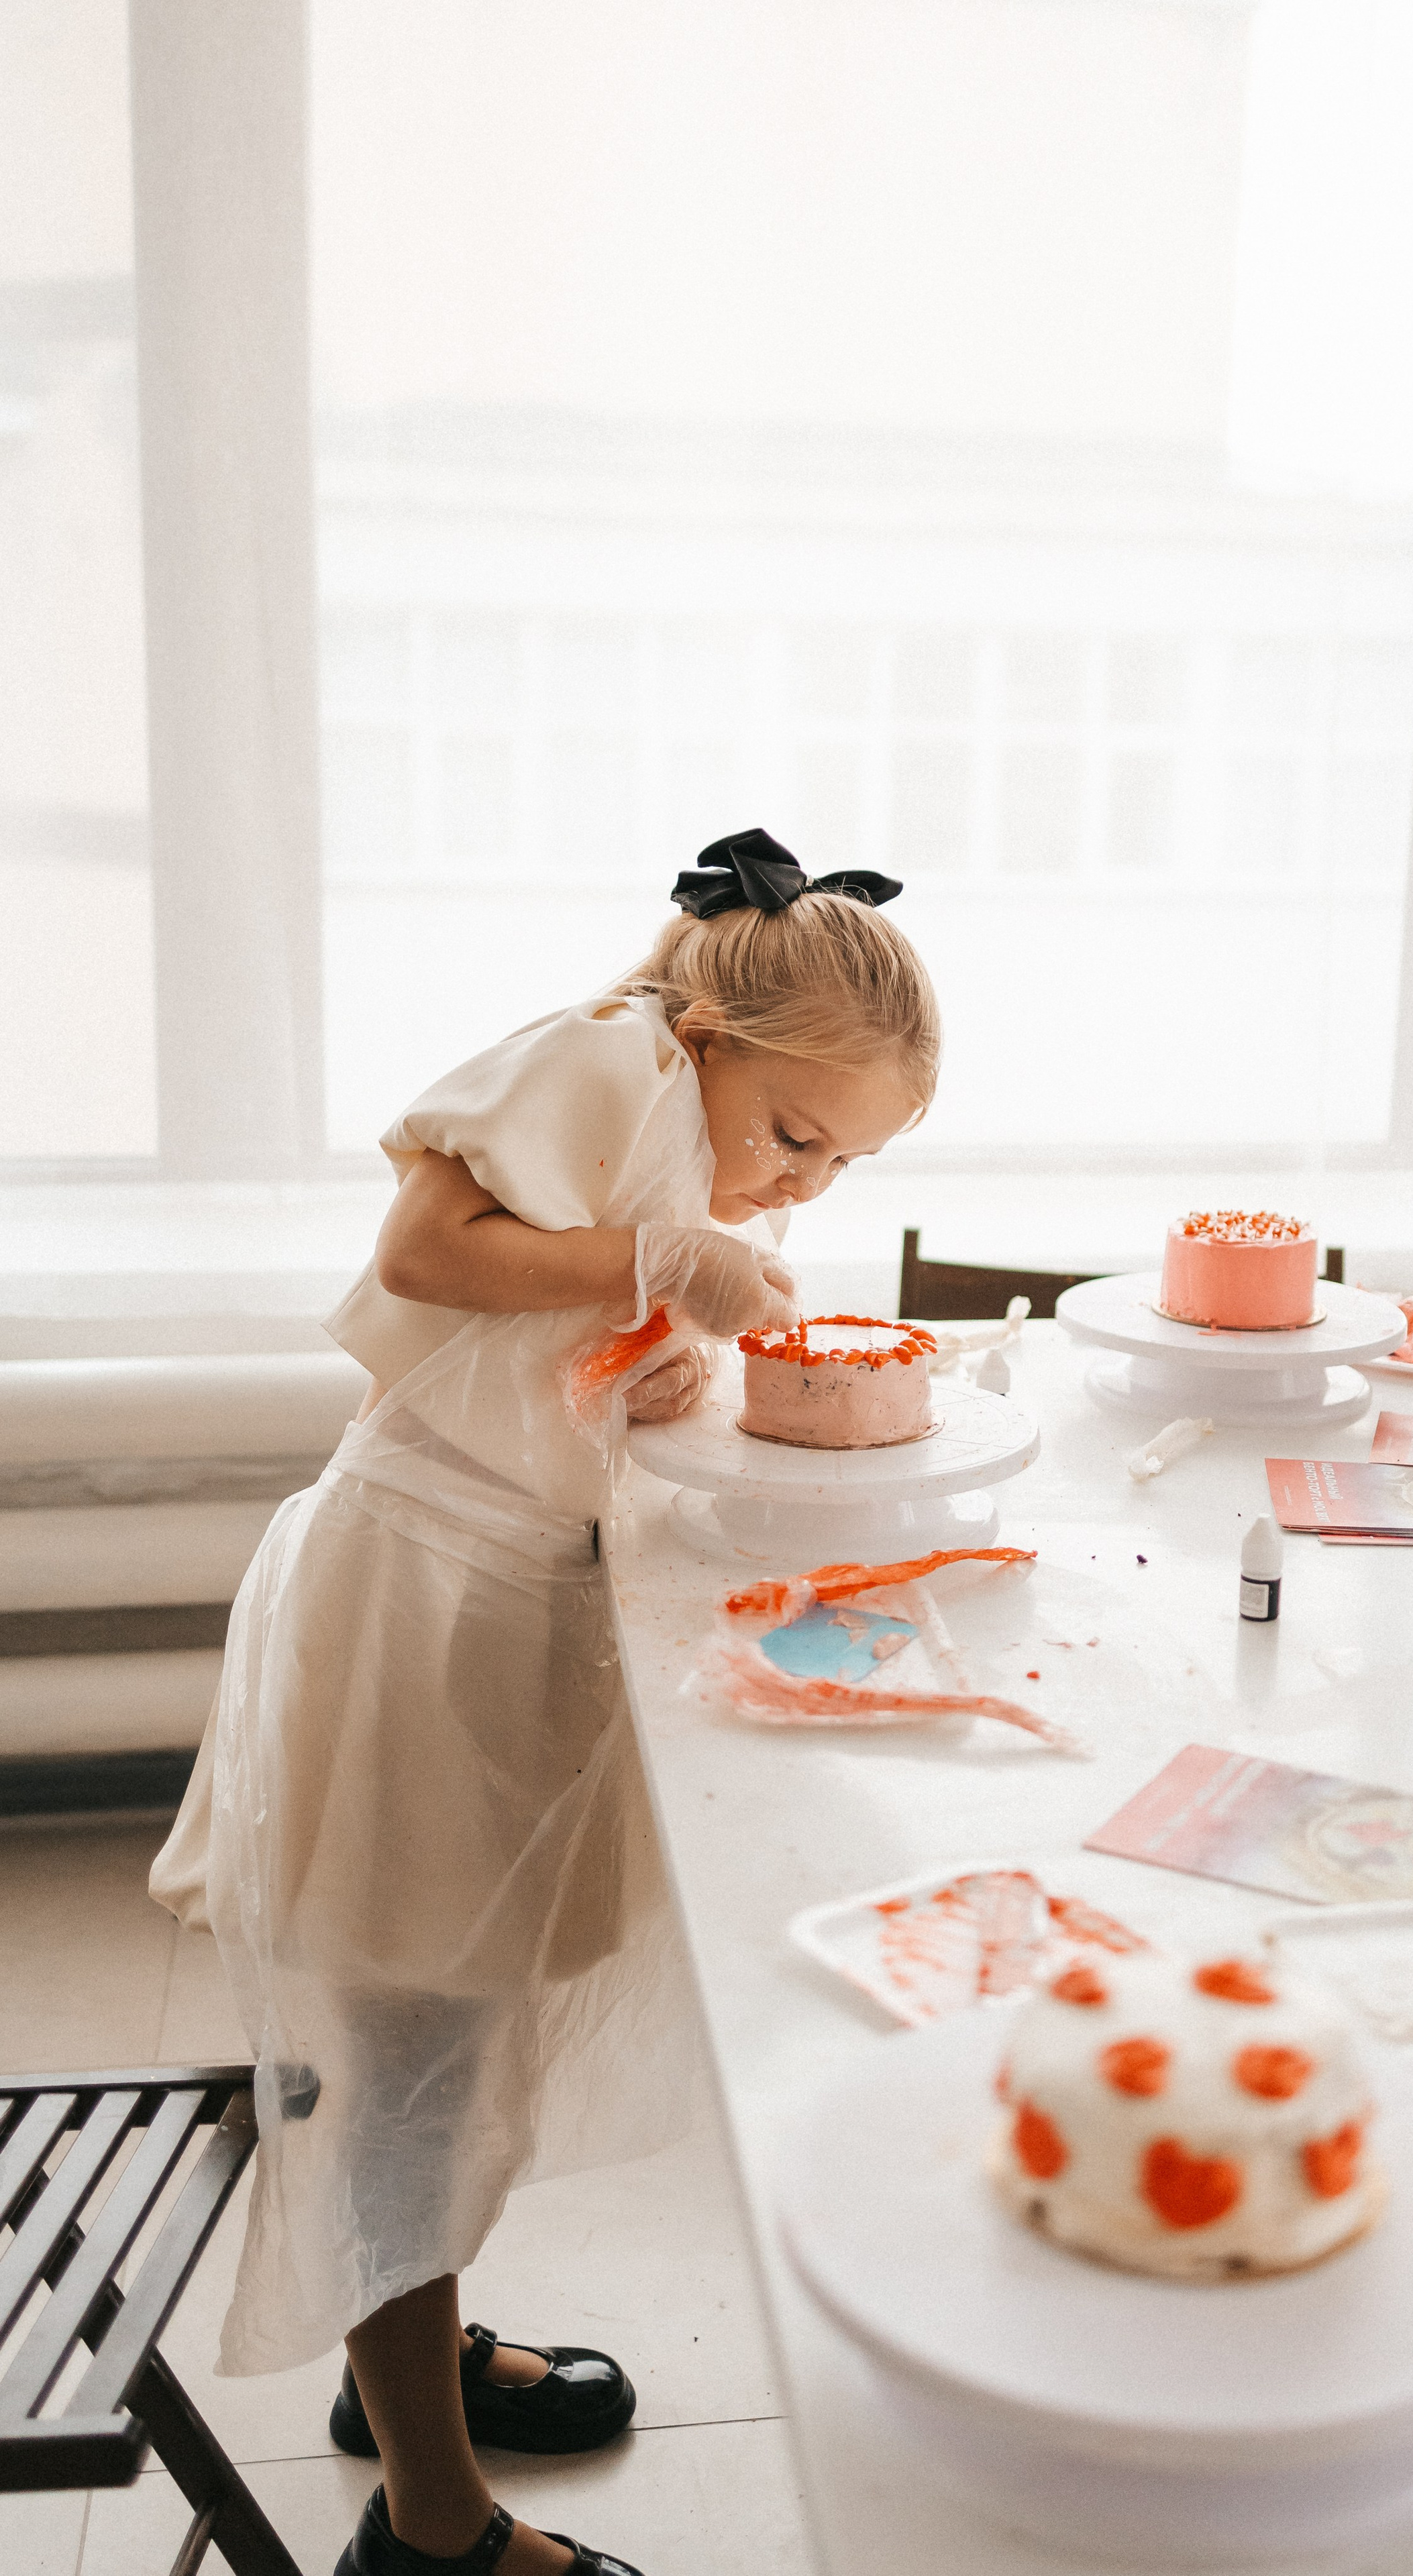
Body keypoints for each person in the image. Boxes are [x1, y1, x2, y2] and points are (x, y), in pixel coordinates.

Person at [150, 830, 941, 2576]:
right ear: (711, 1030)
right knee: (405, 2062)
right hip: (417, 1603)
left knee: (458, 2022)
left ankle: (405, 2372)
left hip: (490, 1594)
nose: (797, 1189)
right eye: (796, 1136)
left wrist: (644, 1360)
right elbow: (432, 1245)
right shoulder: (613, 1050)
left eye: (840, 1168)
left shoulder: (672, 1107)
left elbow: (534, 1331)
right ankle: (431, 2527)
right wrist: (659, 1265)